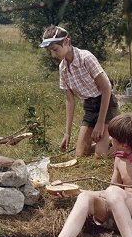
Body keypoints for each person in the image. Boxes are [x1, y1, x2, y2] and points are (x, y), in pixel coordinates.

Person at [39, 25, 119, 156]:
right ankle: (107, 141)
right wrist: (67, 133)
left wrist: (100, 123)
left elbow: (106, 88)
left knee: (100, 155)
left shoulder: (85, 58)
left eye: (55, 49)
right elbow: (70, 101)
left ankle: (121, 143)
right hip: (89, 107)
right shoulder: (63, 68)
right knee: (80, 154)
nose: (53, 54)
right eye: (50, 51)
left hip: (106, 103)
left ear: (66, 42)